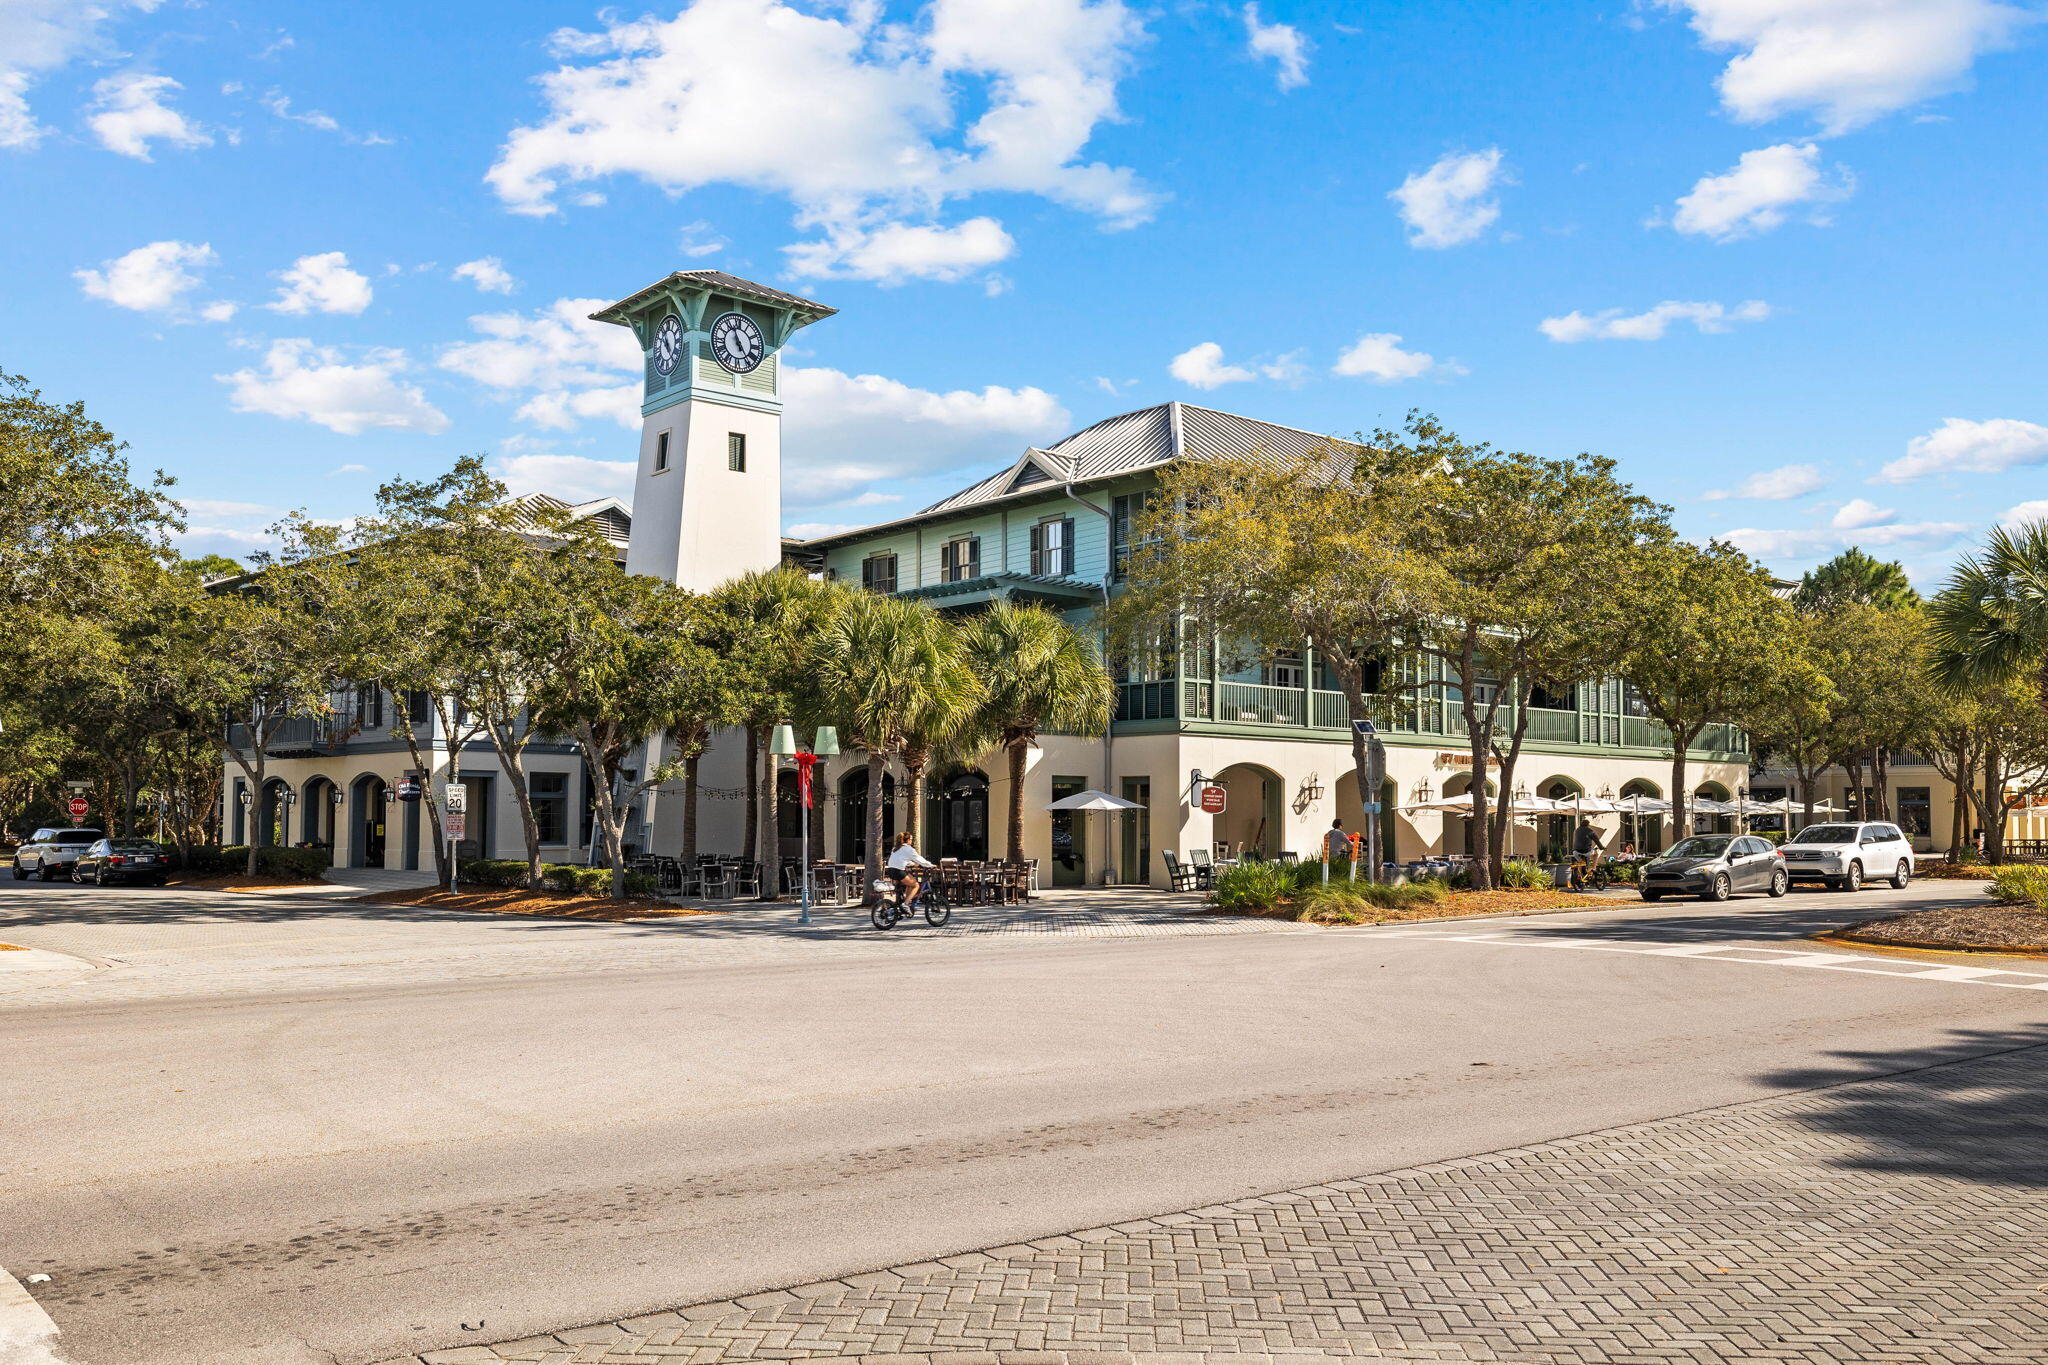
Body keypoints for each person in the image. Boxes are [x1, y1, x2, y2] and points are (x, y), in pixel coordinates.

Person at [886, 831, 935, 907]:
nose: (912, 841)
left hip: (891, 871)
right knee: (916, 885)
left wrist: (913, 864)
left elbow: (901, 860)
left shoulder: (895, 848)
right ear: (908, 840)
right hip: (899, 871)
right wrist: (930, 865)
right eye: (911, 839)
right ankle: (905, 904)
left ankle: (906, 902)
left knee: (910, 885)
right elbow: (919, 859)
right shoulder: (909, 849)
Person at [1569, 818, 1606, 890]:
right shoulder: (1590, 831)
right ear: (1588, 825)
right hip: (1586, 852)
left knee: (1581, 863)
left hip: (1575, 852)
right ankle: (1594, 868)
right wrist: (1601, 848)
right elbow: (1597, 841)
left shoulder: (1576, 830)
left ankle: (1580, 877)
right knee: (1596, 854)